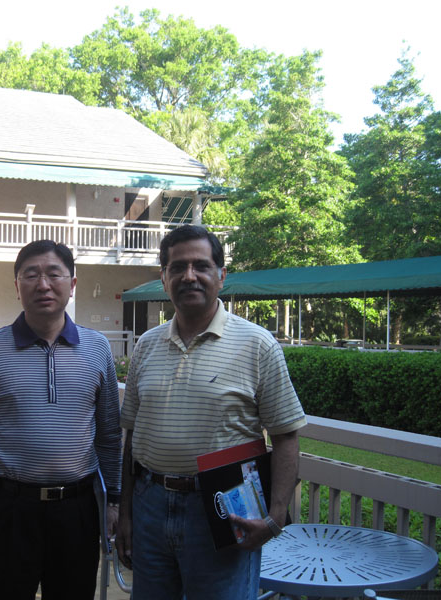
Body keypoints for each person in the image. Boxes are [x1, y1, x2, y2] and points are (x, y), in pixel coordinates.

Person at [115, 225, 306, 600]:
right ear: (164, 278)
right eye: (177, 267)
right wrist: (125, 514)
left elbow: (286, 436)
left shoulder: (257, 344)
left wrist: (274, 517)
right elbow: (132, 436)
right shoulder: (146, 345)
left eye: (201, 266)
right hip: (149, 505)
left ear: (221, 275)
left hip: (224, 509)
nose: (189, 276)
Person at [0, 240, 122, 600]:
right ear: (17, 286)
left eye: (53, 274)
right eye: (31, 275)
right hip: (7, 509)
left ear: (72, 284)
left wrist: (113, 503)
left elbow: (109, 436)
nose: (43, 284)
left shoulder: (97, 348)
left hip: (77, 509)